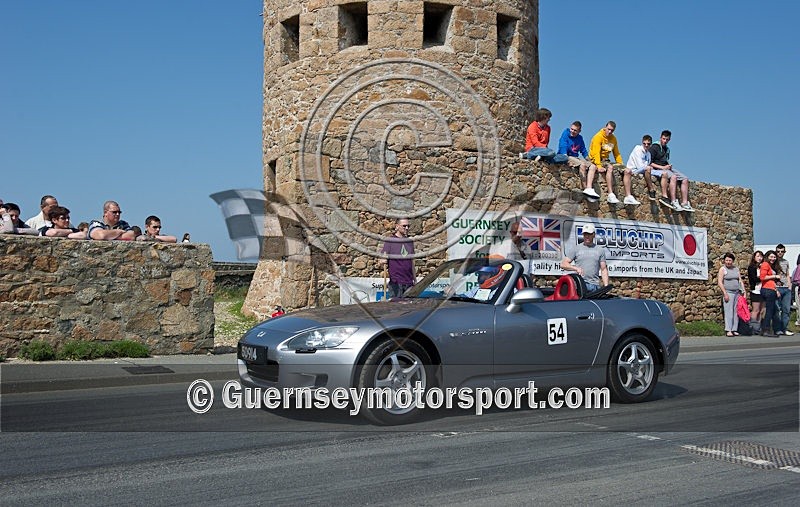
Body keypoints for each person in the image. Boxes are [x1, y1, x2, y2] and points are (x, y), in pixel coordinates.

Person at [647, 130, 694, 212]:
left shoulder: (667, 149)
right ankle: (673, 201)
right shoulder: (654, 147)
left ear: (669, 140)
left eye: (667, 139)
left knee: (685, 179)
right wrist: (663, 168)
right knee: (673, 177)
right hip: (659, 168)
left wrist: (668, 166)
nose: (665, 141)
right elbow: (650, 163)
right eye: (663, 139)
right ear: (660, 138)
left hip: (667, 167)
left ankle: (685, 203)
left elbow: (665, 160)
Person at [586, 121, 629, 204]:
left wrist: (621, 164)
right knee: (610, 167)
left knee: (624, 170)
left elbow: (616, 153)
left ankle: (621, 196)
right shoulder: (598, 137)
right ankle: (610, 193)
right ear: (605, 127)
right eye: (608, 129)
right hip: (595, 159)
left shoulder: (613, 139)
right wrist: (598, 165)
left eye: (612, 130)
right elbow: (596, 153)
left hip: (606, 160)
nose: (609, 132)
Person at [560, 223, 608, 292]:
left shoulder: (600, 250)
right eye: (585, 234)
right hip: (580, 284)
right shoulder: (576, 248)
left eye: (589, 234)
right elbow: (563, 264)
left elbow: (603, 269)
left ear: (593, 235)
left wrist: (606, 286)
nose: (587, 236)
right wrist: (575, 268)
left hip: (594, 285)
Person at [625, 135, 670, 206]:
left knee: (664, 174)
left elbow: (647, 166)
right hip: (634, 170)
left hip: (644, 170)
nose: (646, 145)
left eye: (648, 144)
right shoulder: (638, 149)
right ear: (642, 143)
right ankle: (651, 190)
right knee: (648, 168)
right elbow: (640, 166)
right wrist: (648, 167)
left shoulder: (648, 154)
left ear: (650, 144)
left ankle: (664, 196)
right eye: (644, 143)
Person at [380, 218, 415, 298]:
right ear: (397, 226)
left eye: (408, 226)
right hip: (396, 283)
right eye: (404, 226)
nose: (407, 228)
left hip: (409, 283)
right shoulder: (390, 241)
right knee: (397, 309)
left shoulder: (410, 242)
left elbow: (412, 262)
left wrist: (415, 279)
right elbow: (382, 260)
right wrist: (382, 261)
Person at [557, 121, 595, 186]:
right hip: (566, 156)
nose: (572, 131)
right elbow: (563, 146)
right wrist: (566, 159)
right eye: (571, 129)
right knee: (582, 165)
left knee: (593, 166)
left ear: (579, 131)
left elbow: (583, 150)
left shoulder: (580, 138)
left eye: (575, 130)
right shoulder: (566, 133)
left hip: (575, 157)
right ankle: (585, 188)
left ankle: (589, 187)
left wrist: (589, 161)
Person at [717, 252, 744, 337]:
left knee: (736, 312)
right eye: (727, 260)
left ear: (733, 261)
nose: (728, 262)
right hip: (728, 292)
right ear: (724, 261)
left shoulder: (736, 269)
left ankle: (734, 329)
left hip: (737, 293)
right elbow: (720, 282)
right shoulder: (722, 269)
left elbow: (740, 280)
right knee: (729, 312)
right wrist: (725, 293)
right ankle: (728, 329)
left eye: (730, 260)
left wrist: (743, 291)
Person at [759, 250, 784, 337]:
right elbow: (762, 277)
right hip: (768, 290)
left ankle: (766, 329)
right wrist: (775, 276)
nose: (773, 258)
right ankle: (766, 330)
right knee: (769, 310)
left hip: (771, 289)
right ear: (767, 257)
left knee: (770, 310)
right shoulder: (765, 264)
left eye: (774, 257)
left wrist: (776, 289)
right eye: (771, 257)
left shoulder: (770, 265)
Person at [774, 244, 794, 335]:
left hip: (786, 288)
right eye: (778, 251)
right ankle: (777, 329)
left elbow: (787, 274)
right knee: (777, 309)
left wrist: (790, 285)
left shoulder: (786, 262)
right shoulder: (773, 261)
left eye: (782, 251)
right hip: (777, 288)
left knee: (786, 309)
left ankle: (784, 328)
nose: (780, 253)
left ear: (784, 252)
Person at [747, 250, 765, 330]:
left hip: (763, 290)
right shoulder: (751, 267)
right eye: (758, 256)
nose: (760, 258)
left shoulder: (764, 267)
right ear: (754, 257)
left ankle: (760, 326)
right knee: (756, 310)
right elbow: (754, 278)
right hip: (755, 291)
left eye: (761, 256)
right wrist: (763, 278)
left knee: (762, 310)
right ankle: (753, 327)